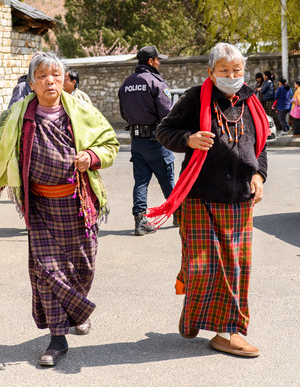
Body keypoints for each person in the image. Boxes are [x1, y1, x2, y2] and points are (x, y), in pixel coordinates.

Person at [148, 43, 269, 357]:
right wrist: (188, 138)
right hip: (199, 197)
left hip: (240, 199)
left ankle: (226, 334)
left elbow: (261, 145)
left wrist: (259, 176)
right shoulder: (194, 99)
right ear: (211, 73)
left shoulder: (251, 100)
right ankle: (195, 316)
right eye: (224, 71)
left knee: (235, 269)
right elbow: (164, 130)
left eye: (236, 70)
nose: (231, 76)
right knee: (203, 266)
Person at [0, 52, 119, 366]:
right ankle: (57, 339)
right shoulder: (18, 115)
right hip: (39, 207)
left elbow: (110, 144)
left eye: (55, 75)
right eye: (42, 76)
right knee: (47, 271)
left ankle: (76, 309)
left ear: (64, 79)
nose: (49, 81)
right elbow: (2, 152)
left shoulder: (81, 110)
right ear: (31, 83)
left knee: (83, 266)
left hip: (79, 204)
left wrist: (91, 157)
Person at [118, 45, 177, 236]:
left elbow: (123, 113)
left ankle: (140, 220)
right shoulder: (156, 82)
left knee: (141, 181)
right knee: (167, 178)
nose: (159, 63)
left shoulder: (126, 83)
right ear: (151, 61)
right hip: (156, 140)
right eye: (158, 60)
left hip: (137, 141)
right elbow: (167, 113)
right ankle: (179, 215)